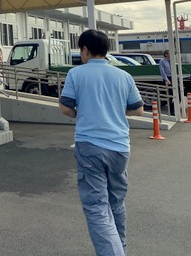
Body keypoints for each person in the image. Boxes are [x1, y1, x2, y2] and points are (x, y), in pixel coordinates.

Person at [59, 29, 144, 256]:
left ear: (85, 50)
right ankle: (120, 249)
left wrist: (84, 113)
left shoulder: (76, 74)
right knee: (116, 203)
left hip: (90, 146)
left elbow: (65, 107)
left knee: (96, 207)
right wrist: (115, 111)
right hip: (120, 148)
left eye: (81, 50)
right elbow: (138, 109)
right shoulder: (123, 76)